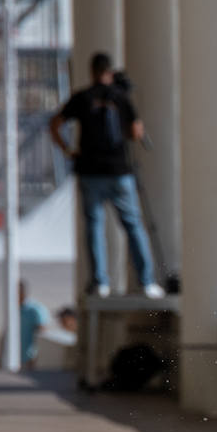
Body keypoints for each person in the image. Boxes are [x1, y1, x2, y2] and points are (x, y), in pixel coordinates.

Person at [49, 51, 164, 300]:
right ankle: (147, 282)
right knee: (133, 224)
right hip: (119, 170)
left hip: (90, 171)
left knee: (94, 226)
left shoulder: (82, 97)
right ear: (109, 72)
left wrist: (68, 149)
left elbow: (55, 123)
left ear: (92, 72)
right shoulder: (120, 97)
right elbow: (135, 132)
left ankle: (100, 281)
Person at [0, 280, 50, 370]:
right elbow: (4, 333)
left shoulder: (35, 310)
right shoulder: (13, 310)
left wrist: (37, 357)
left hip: (29, 360)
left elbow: (42, 334)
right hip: (12, 359)